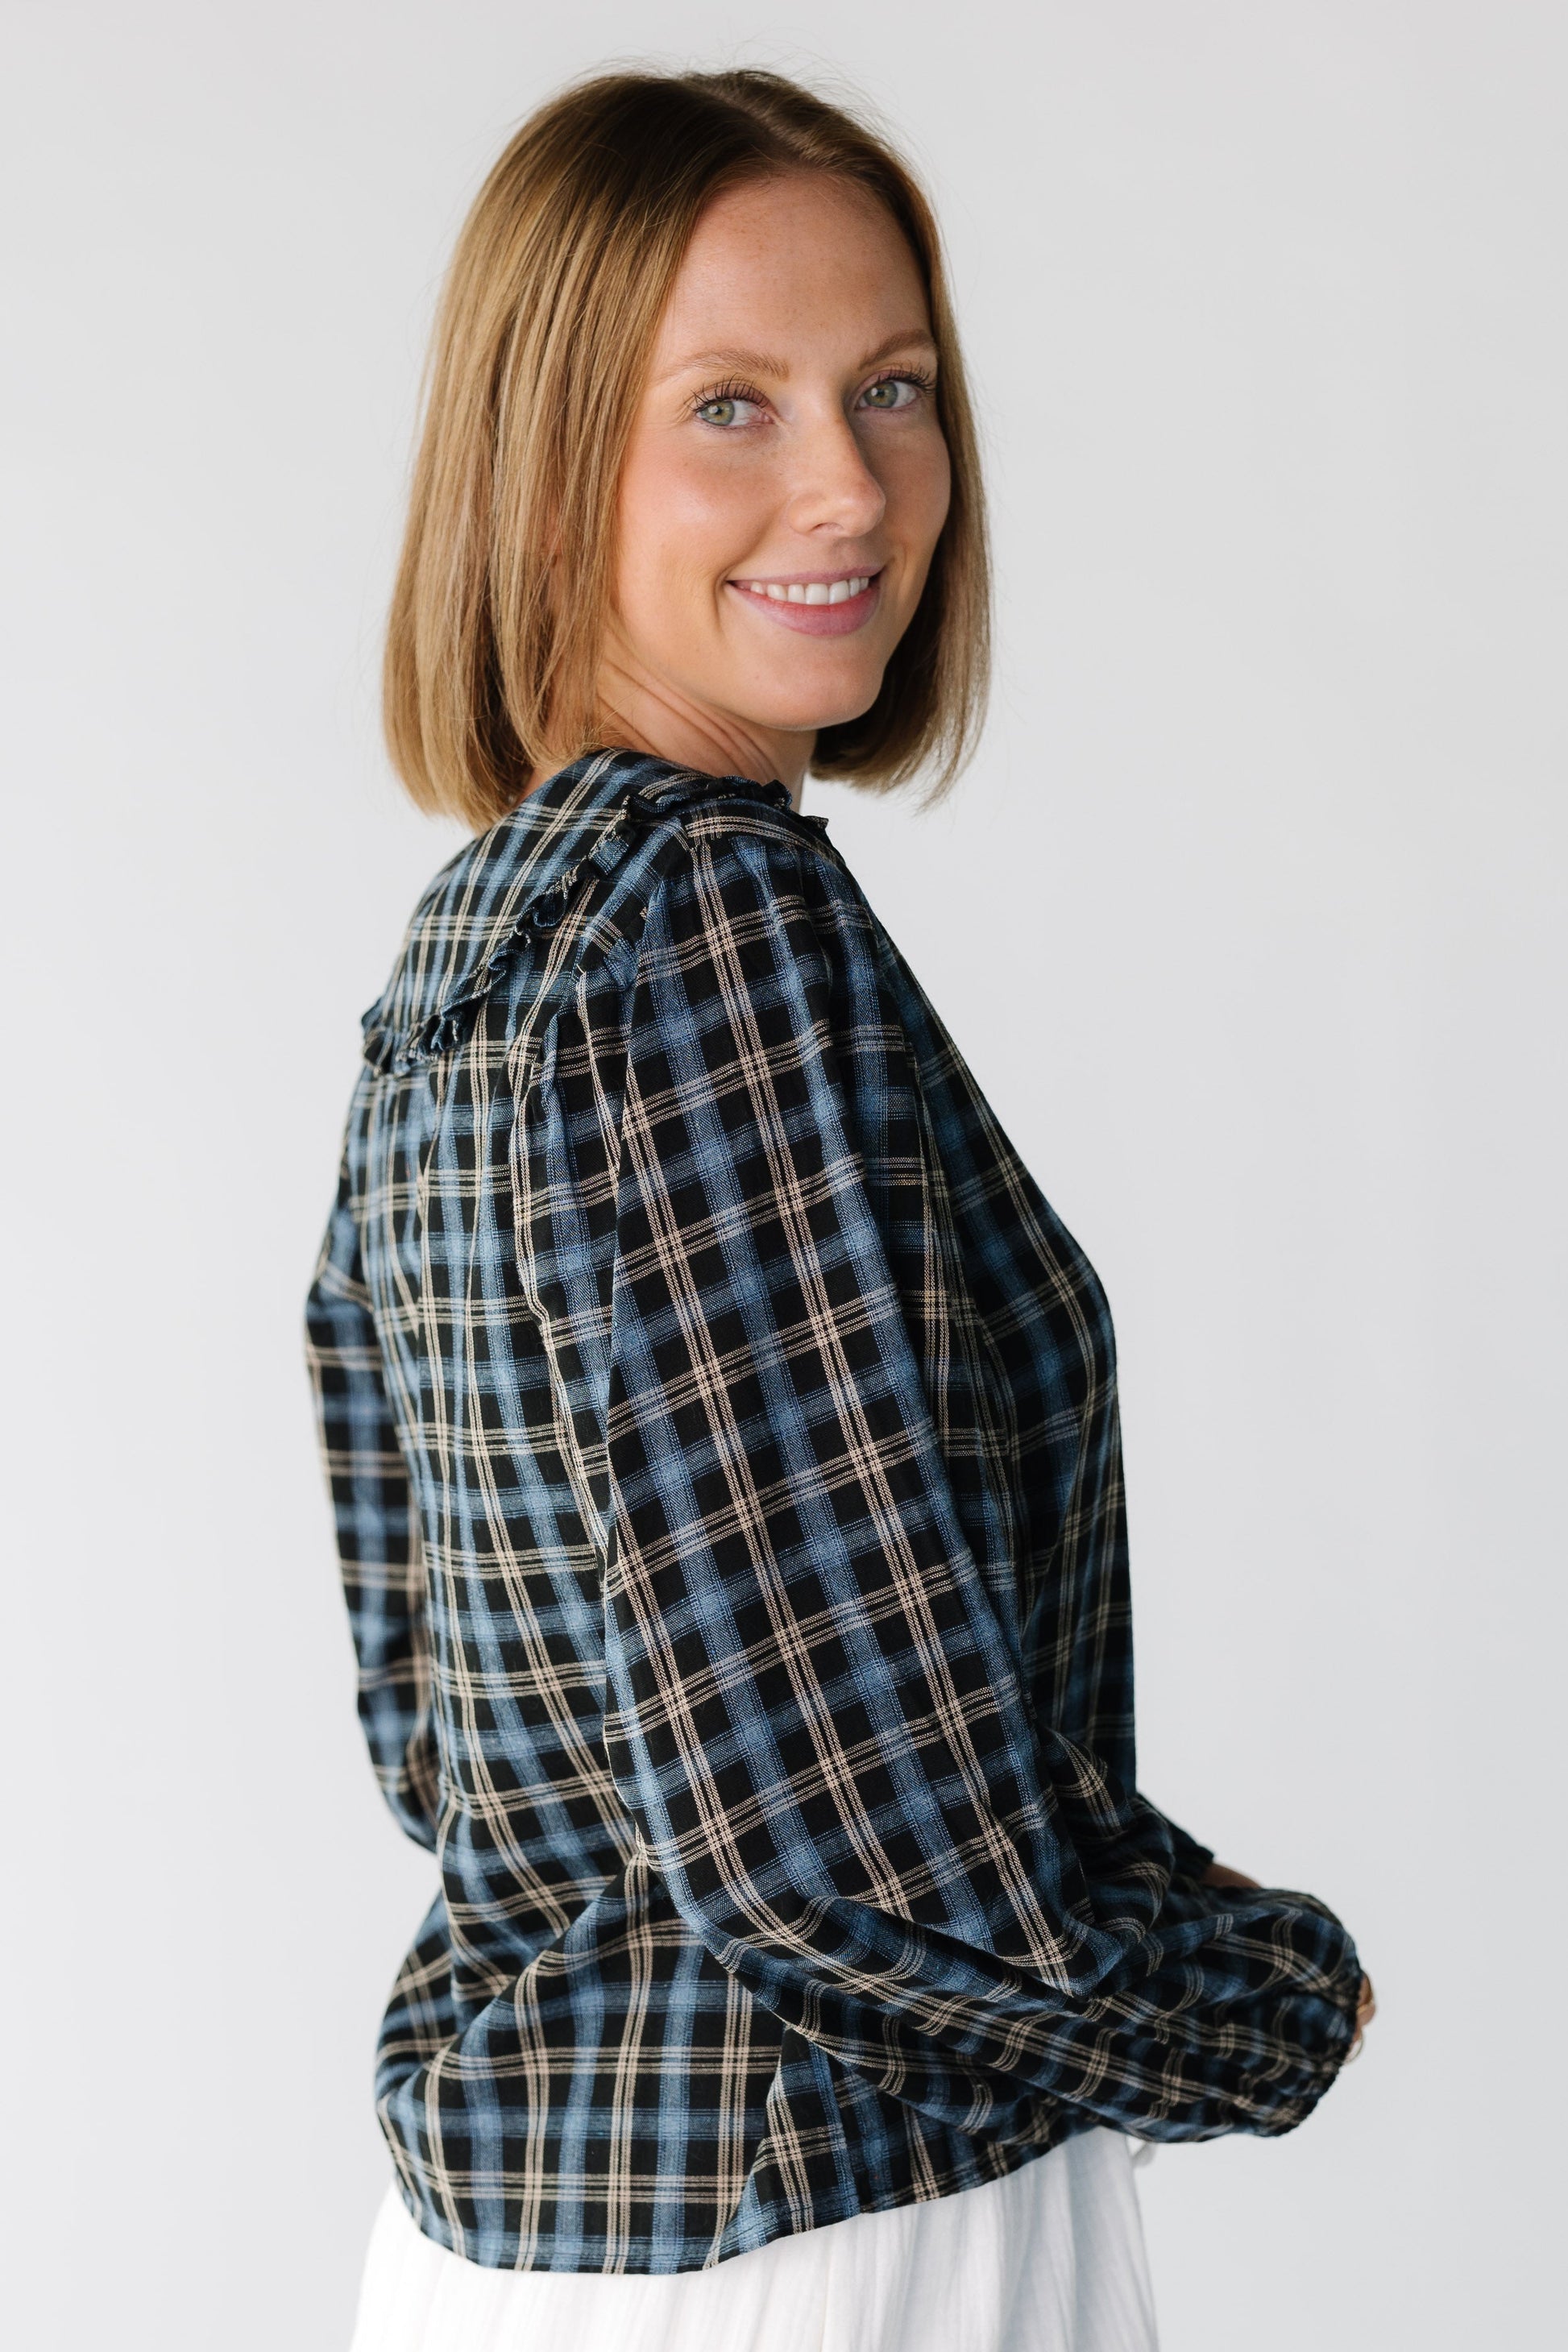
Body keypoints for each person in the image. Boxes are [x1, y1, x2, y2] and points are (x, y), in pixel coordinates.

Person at [306, 66, 1373, 2352]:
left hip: (526, 2239)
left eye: (893, 388)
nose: (850, 485)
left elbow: (442, 1708)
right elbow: (836, 1852)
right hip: (836, 2237)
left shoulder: (473, 949)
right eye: (731, 405)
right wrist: (1256, 2006)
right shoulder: (707, 933)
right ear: (546, 457)